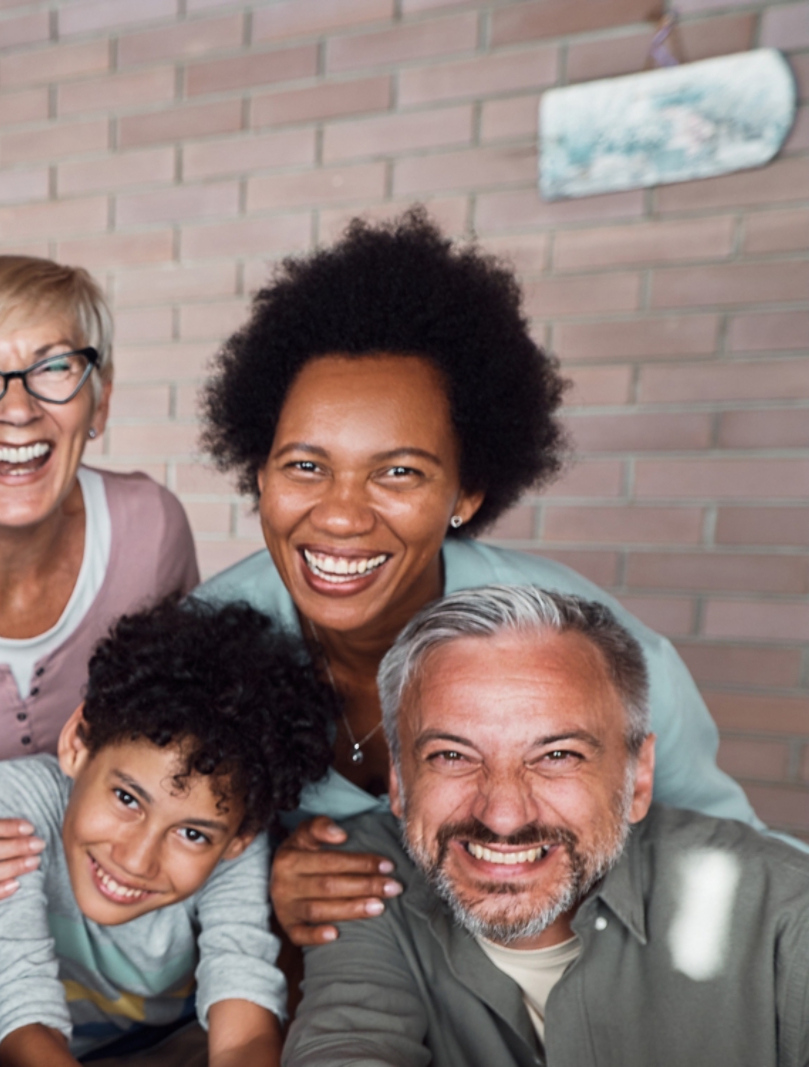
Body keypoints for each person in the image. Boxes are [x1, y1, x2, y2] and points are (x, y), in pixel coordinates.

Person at [190, 209, 786, 951]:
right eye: (306, 466)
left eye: (398, 472)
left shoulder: (592, 650)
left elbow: (735, 861)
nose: (340, 516)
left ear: (467, 493)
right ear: (259, 471)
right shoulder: (200, 650)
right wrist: (257, 884)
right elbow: (129, 871)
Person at [284, 585, 809, 1066]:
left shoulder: (786, 911)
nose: (503, 816)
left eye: (557, 755)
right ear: (399, 780)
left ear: (638, 777)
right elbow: (345, 1046)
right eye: (452, 756)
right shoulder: (361, 876)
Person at [0, 256, 200, 913]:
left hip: (124, 934)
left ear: (101, 399)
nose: (17, 408)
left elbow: (194, 743)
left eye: (54, 367)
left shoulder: (150, 529)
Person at [0, 599, 331, 1067]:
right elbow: (19, 1012)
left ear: (239, 838)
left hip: (178, 1046)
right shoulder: (17, 799)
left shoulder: (238, 846)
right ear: (78, 741)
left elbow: (242, 1029)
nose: (137, 861)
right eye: (126, 799)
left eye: (192, 835)